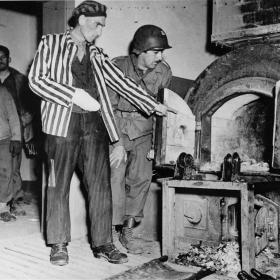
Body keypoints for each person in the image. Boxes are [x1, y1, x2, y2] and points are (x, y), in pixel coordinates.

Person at [28, 0, 169, 266]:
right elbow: (36, 80)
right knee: (57, 185)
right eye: (97, 25)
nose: (100, 31)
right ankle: (59, 244)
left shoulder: (98, 54)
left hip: (94, 127)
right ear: (81, 20)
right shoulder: (51, 43)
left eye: (103, 25)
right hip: (61, 126)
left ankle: (103, 243)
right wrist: (74, 95)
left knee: (101, 187)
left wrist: (154, 105)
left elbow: (122, 81)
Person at [109, 25, 172, 254]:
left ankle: (127, 230)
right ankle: (112, 231)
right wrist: (116, 143)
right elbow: (109, 107)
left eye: (162, 52)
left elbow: (162, 111)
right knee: (115, 178)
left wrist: (157, 145)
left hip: (145, 130)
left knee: (141, 179)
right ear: (141, 51)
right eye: (156, 52)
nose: (161, 57)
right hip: (119, 128)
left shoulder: (163, 71)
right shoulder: (117, 66)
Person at [0, 45, 36, 216]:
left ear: (9, 59)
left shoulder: (19, 79)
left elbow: (32, 104)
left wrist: (26, 120)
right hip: (2, 127)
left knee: (13, 167)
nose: (0, 60)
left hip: (15, 129)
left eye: (3, 57)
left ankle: (14, 199)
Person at [0, 85, 22, 222]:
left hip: (4, 139)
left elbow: (13, 116)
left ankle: (2, 207)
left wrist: (16, 138)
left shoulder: (3, 91)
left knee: (5, 173)